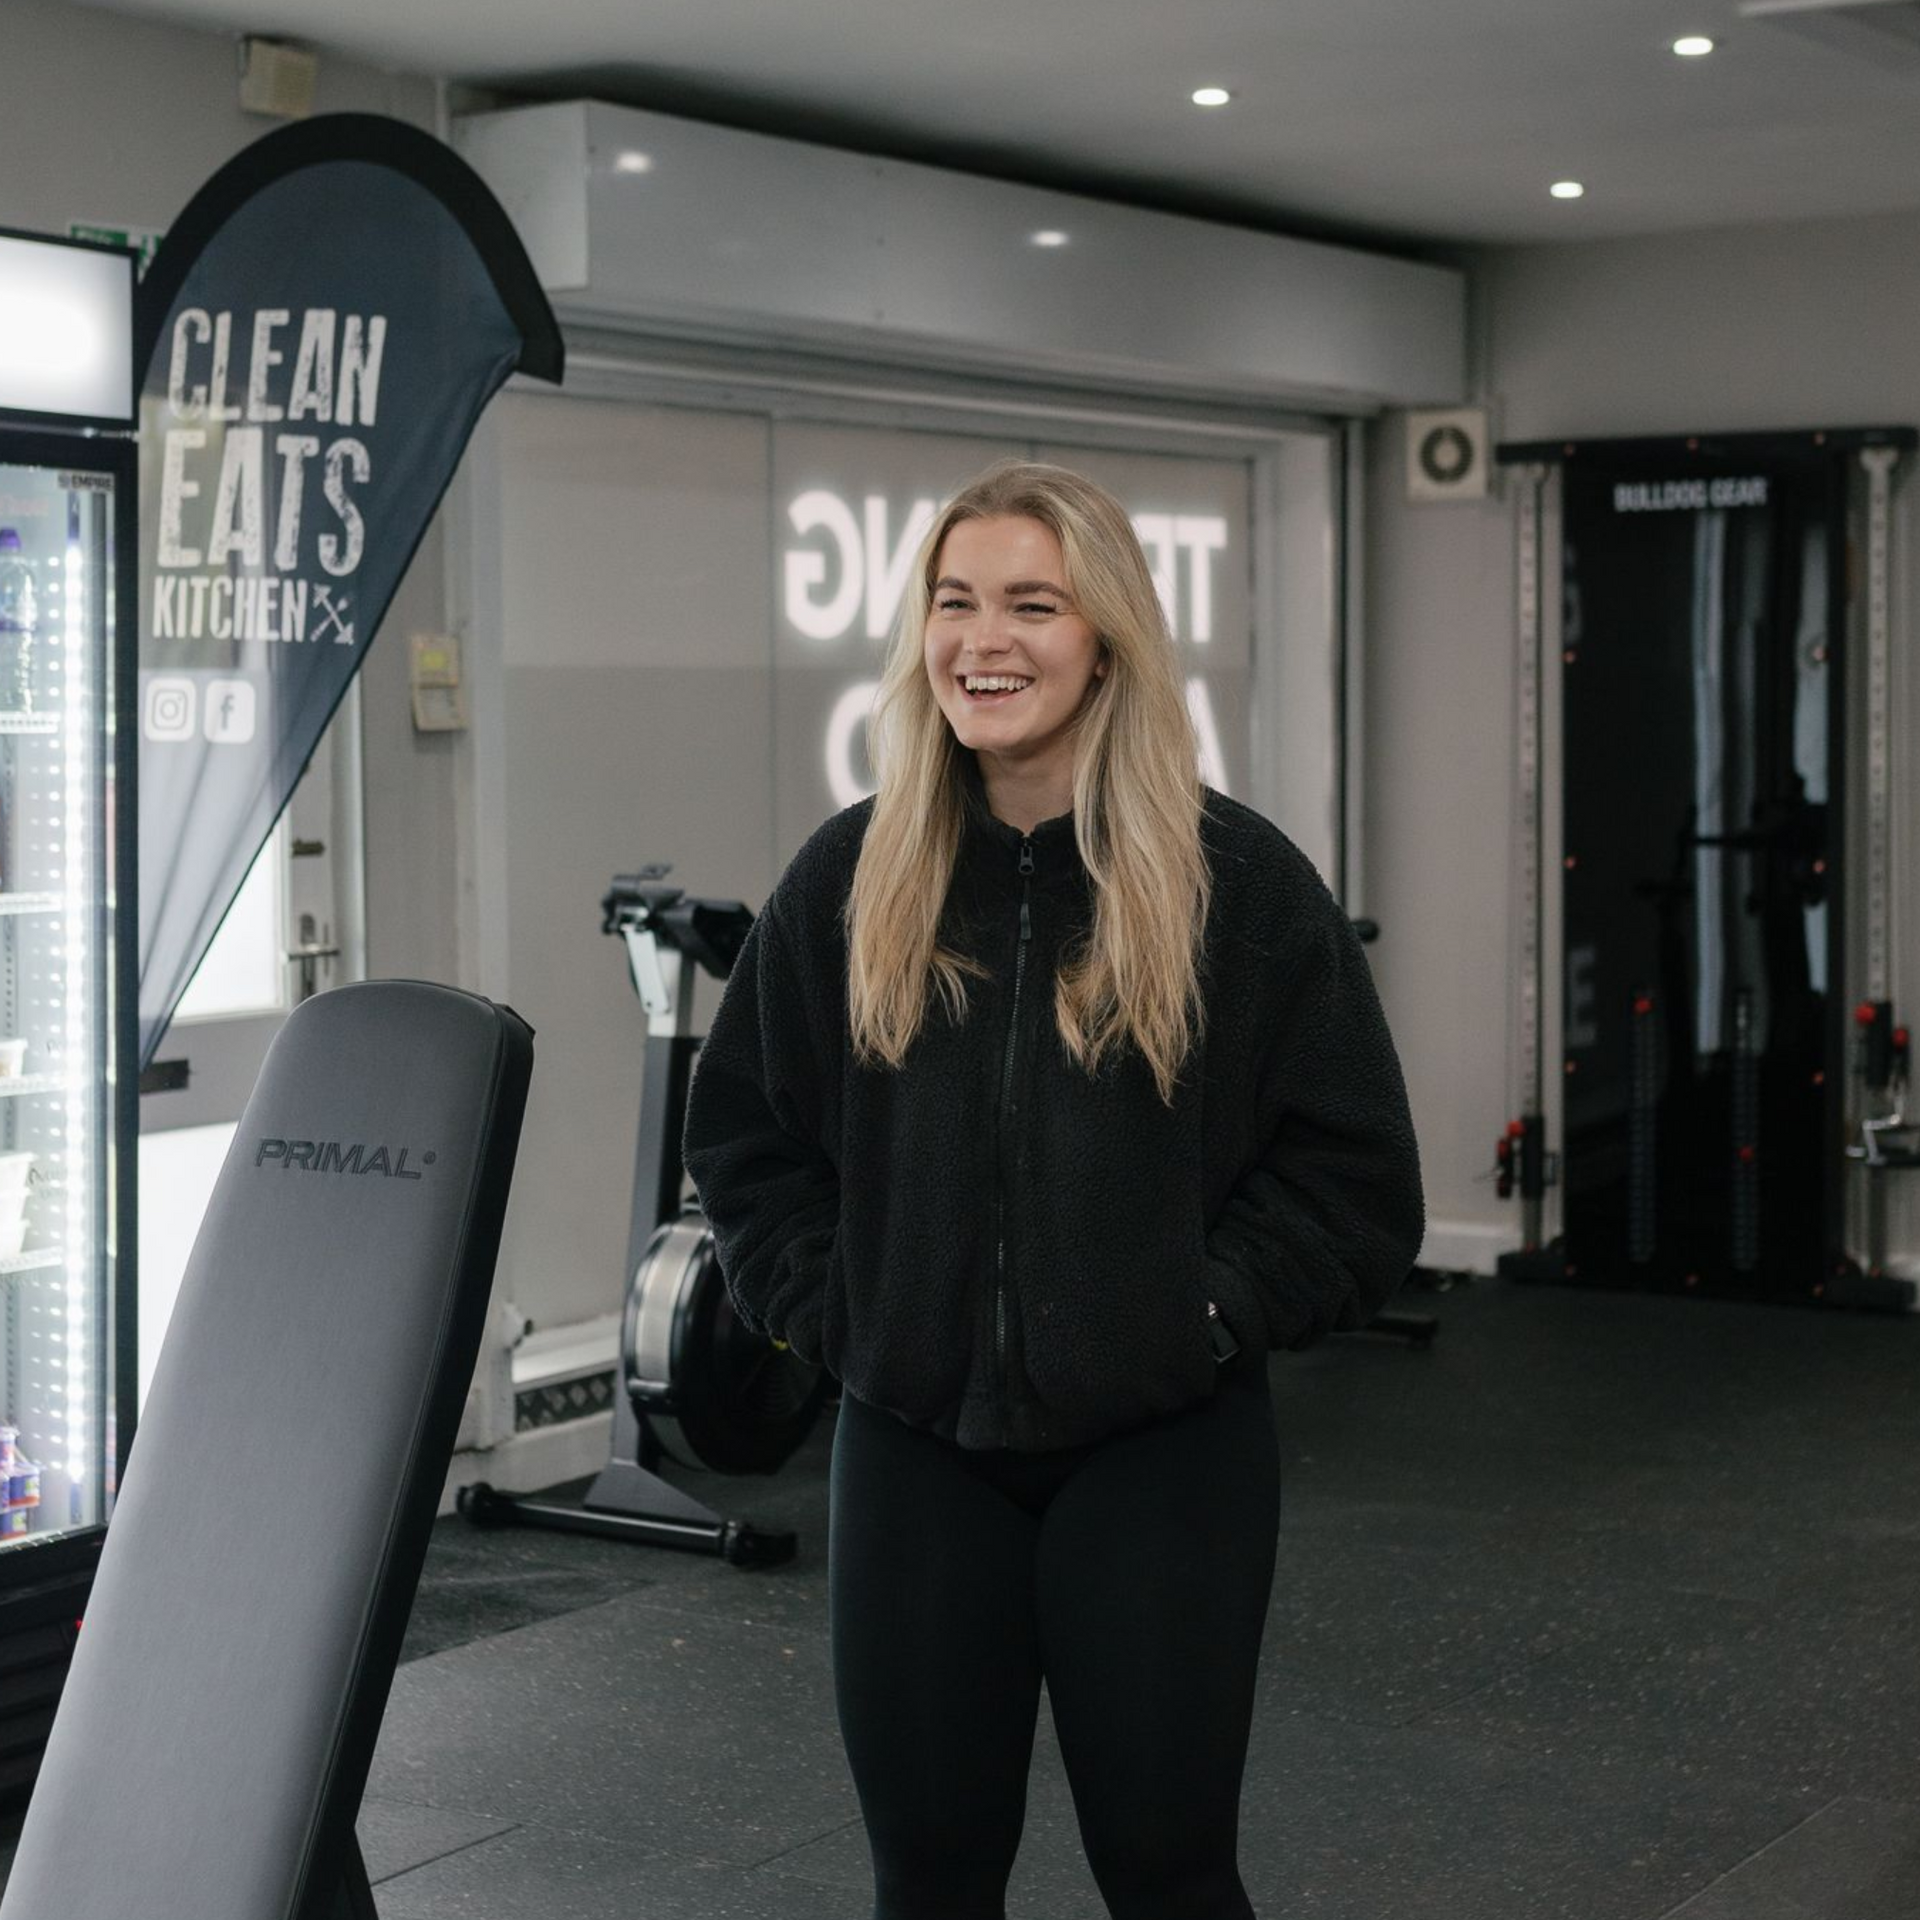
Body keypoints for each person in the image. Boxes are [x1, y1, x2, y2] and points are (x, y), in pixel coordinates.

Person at [682, 460, 1424, 1920]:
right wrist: (855, 1317)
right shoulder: (853, 875)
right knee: (931, 1880)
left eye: (1033, 603)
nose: (986, 640)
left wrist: (1198, 1315)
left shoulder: (1238, 886)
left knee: (1167, 1875)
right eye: (956, 603)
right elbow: (749, 1143)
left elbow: (1355, 1177)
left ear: (1107, 640)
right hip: (914, 1453)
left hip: (1160, 1452)